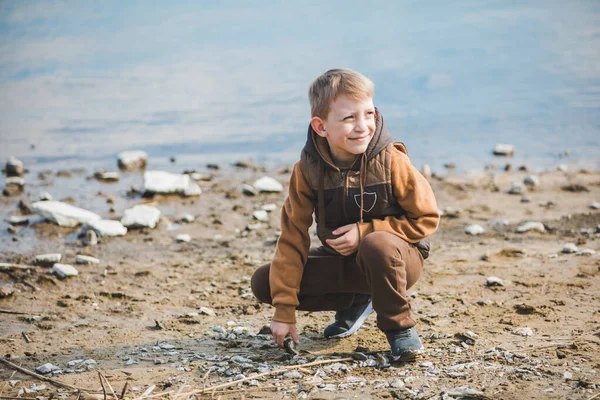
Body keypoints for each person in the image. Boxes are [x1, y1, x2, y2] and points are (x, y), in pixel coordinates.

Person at [251, 68, 440, 361]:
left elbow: (427, 218)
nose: (363, 126)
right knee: (264, 282)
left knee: (376, 244)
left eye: (368, 114)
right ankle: (358, 299)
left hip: (398, 261)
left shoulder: (392, 160)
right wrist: (284, 311)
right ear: (321, 127)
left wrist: (364, 231)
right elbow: (293, 237)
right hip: (345, 262)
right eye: (349, 118)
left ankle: (399, 328)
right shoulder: (307, 171)